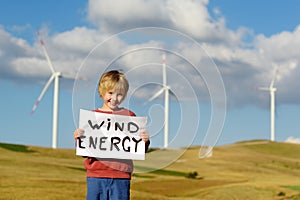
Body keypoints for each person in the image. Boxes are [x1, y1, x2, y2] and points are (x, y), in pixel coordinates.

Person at [74, 70, 150, 200]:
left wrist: (145, 141)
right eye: (110, 93)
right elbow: (84, 151)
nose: (114, 98)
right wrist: (79, 138)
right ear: (102, 91)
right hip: (96, 175)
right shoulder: (92, 118)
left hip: (121, 176)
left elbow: (137, 147)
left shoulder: (129, 117)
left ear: (125, 95)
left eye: (119, 94)